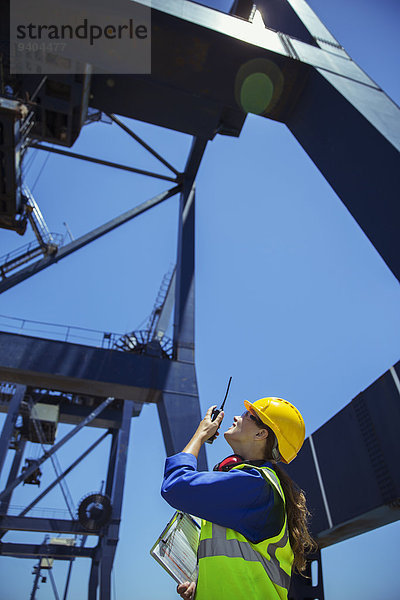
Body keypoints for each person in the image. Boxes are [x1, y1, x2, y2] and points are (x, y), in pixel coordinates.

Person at [161, 397, 316, 600]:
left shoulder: (255, 486)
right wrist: (202, 585)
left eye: (247, 415)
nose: (236, 416)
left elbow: (175, 485)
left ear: (261, 433)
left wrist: (200, 435)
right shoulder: (253, 488)